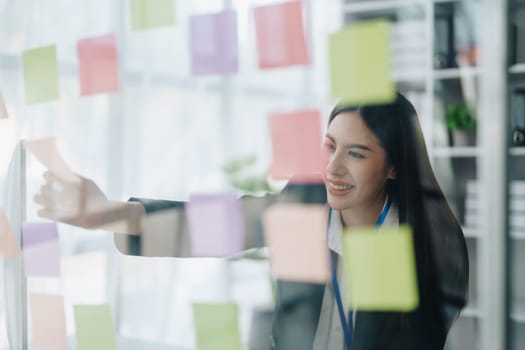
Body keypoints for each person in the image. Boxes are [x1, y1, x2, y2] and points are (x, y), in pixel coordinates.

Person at [35, 92, 468, 349]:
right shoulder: (305, 207)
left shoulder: (432, 245)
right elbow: (212, 225)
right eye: (330, 146)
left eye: (355, 154)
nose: (333, 168)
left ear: (395, 167)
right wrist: (106, 212)